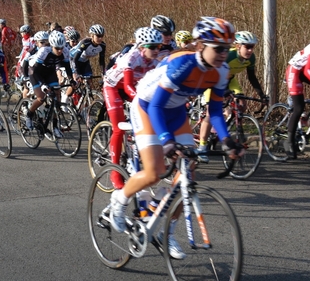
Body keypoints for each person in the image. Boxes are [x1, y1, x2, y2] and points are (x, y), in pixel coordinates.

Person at [108, 16, 241, 261]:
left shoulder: (221, 71)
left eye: (227, 48)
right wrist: (167, 141)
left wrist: (227, 140)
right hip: (148, 108)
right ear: (200, 46)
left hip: (176, 111)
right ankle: (119, 199)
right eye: (218, 48)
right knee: (154, 172)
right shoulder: (182, 65)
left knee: (187, 177)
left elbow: (214, 111)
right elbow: (156, 105)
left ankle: (165, 231)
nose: (224, 54)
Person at [103, 27, 163, 188]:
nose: (157, 50)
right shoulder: (132, 58)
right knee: (118, 128)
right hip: (114, 87)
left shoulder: (156, 62)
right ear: (142, 47)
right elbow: (128, 86)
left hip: (132, 88)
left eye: (159, 46)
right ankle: (115, 172)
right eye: (153, 47)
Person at [198, 30, 266, 160]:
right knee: (210, 113)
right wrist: (222, 91)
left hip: (230, 80)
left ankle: (227, 124)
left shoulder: (251, 58)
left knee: (241, 104)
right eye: (247, 47)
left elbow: (252, 77)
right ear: (238, 46)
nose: (250, 50)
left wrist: (261, 95)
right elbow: (212, 73)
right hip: (213, 80)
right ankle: (202, 146)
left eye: (252, 47)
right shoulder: (228, 56)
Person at [23, 31, 74, 138]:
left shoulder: (65, 51)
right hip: (35, 72)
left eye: (61, 48)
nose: (60, 50)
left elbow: (67, 67)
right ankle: (29, 114)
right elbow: (35, 71)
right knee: (41, 97)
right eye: (57, 48)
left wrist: (71, 80)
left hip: (49, 72)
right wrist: (42, 85)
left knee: (57, 97)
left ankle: (55, 127)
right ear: (51, 46)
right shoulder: (44, 51)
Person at [283, 36, 310, 159]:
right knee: (299, 107)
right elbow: (308, 71)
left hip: (308, 70)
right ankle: (289, 141)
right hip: (296, 70)